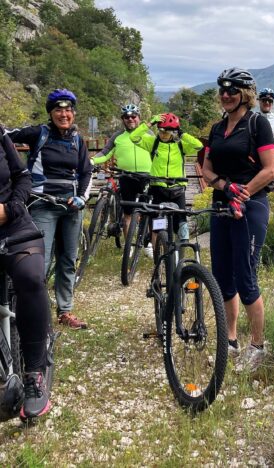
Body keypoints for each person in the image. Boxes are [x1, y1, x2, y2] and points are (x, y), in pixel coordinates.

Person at [202, 68, 274, 372]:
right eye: (222, 90)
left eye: (232, 90)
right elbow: (206, 171)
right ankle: (230, 341)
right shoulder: (217, 128)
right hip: (222, 206)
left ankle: (257, 347)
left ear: (245, 94)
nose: (226, 95)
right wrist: (225, 187)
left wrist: (242, 193)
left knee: (246, 278)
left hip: (250, 208)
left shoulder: (258, 124)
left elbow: (271, 170)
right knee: (222, 277)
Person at [7, 89, 92, 330]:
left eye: (68, 110)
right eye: (58, 110)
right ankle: (31, 310)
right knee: (38, 262)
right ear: (51, 113)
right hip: (42, 204)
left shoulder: (77, 139)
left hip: (71, 206)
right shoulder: (39, 134)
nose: (64, 114)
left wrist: (82, 199)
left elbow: (86, 171)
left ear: (73, 113)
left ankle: (65, 311)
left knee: (67, 260)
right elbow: (7, 135)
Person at [0, 127, 51, 419]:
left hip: (13, 223)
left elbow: (22, 175)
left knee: (31, 277)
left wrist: (13, 206)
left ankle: (34, 374)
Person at [129, 112, 203, 242]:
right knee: (157, 223)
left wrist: (181, 133)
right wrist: (149, 124)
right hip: (158, 187)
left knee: (181, 224)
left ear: (173, 132)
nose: (162, 135)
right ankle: (158, 253)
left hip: (178, 188)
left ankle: (181, 253)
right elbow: (134, 137)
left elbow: (199, 146)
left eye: (167, 132)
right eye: (161, 131)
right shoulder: (153, 142)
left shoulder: (180, 145)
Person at [91, 104, 153, 242]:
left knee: (148, 212)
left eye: (133, 116)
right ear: (122, 119)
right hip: (126, 177)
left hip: (147, 177)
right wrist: (90, 161)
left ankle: (147, 244)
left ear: (139, 117)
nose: (130, 119)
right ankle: (128, 247)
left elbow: (158, 153)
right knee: (128, 214)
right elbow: (105, 153)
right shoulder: (117, 136)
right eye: (126, 117)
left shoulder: (148, 134)